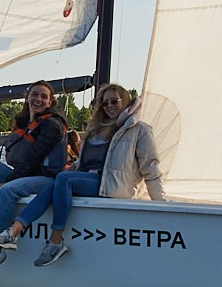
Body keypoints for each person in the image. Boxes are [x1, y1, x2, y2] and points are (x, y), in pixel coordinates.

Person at [19, 83, 164, 267]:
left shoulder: (140, 129)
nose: (109, 106)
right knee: (55, 183)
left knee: (63, 181)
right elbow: (82, 163)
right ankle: (15, 229)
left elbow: (150, 167)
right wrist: (63, 173)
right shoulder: (95, 130)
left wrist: (160, 204)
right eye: (104, 103)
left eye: (114, 101)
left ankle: (55, 241)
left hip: (114, 187)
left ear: (126, 101)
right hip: (90, 181)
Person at [0, 81, 68, 271]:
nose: (38, 99)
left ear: (50, 101)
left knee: (7, 190)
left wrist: (6, 182)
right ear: (27, 97)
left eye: (44, 96)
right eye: (34, 94)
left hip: (46, 178)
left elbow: (33, 160)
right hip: (25, 174)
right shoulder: (25, 122)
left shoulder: (52, 125)